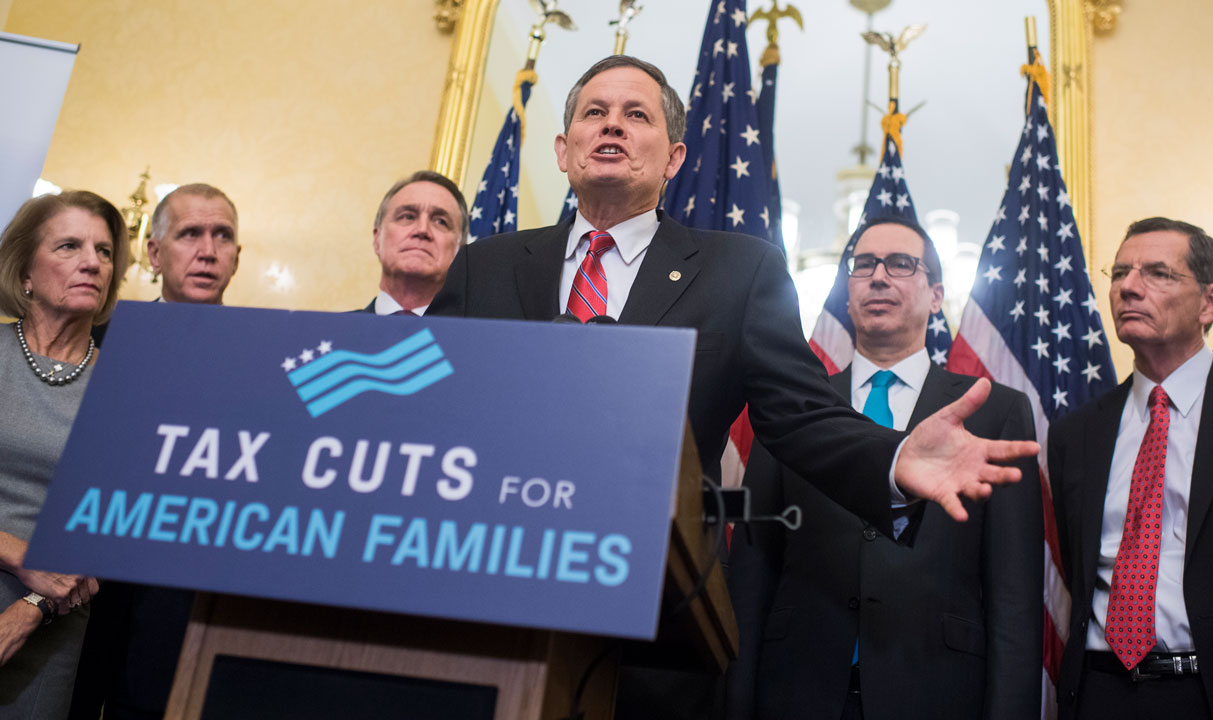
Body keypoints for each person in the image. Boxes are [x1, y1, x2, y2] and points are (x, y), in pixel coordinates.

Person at [427, 55, 1037, 719]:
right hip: (480, 600)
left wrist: (892, 459)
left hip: (646, 631)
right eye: (594, 113)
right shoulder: (478, 268)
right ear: (562, 147)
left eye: (637, 116)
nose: (613, 127)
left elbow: (802, 416)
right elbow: (426, 415)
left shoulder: (738, 272)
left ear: (675, 157)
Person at [726, 217, 1044, 720]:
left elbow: (1015, 598)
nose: (878, 277)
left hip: (936, 692)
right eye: (863, 265)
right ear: (846, 292)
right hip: (796, 691)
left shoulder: (992, 412)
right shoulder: (790, 406)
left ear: (937, 295)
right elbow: (751, 573)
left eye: (901, 264)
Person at [1049, 217, 1213, 718]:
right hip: (1099, 692)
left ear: (1210, 301)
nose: (1129, 287)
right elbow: (1074, 562)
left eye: (1157, 273)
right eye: (1120, 273)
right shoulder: (1076, 433)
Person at [70, 183, 241, 720]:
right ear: (154, 251)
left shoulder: (263, 355)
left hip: (183, 603)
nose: (207, 250)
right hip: (79, 587)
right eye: (190, 233)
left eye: (223, 236)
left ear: (238, 256)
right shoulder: (93, 336)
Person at [0, 190, 127, 718]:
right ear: (25, 269)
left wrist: (31, 608)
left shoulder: (127, 387)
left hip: (50, 625)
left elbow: (115, 526)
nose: (91, 262)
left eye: (103, 250)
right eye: (70, 246)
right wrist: (20, 555)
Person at [358, 170, 467, 315]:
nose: (422, 230)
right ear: (377, 239)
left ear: (459, 249)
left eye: (440, 221)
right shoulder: (330, 333)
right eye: (407, 217)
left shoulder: (477, 338)